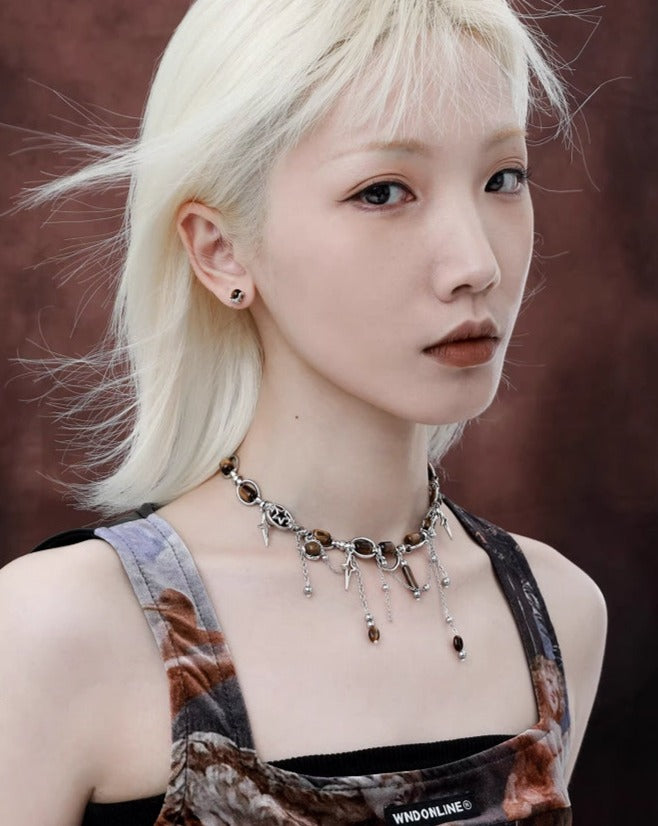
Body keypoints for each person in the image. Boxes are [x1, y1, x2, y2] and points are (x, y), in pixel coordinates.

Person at [0, 1, 607, 824]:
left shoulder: (558, 615)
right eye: (383, 191)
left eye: (503, 178)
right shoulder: (57, 631)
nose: (476, 263)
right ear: (222, 250)